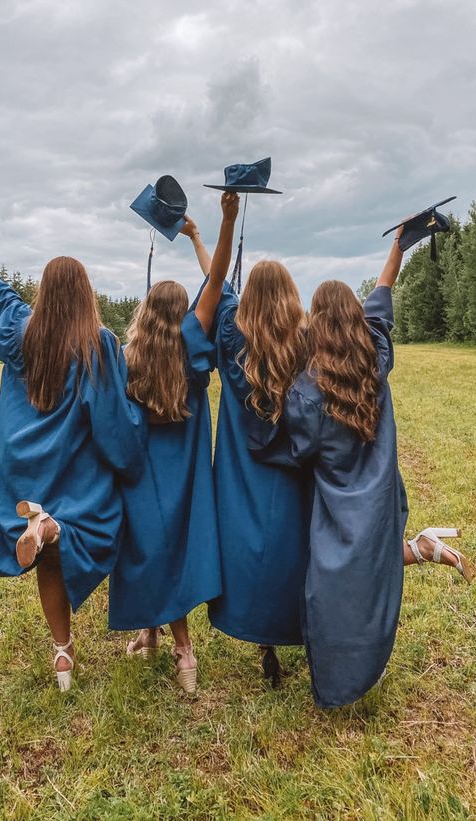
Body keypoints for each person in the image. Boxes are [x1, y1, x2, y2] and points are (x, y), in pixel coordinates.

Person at [248, 230, 473, 708]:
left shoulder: (306, 393)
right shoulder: (375, 360)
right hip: (380, 495)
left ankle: (336, 685)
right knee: (368, 573)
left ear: (316, 323)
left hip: (336, 501)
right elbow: (380, 301)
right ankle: (421, 549)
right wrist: (399, 247)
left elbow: (297, 450)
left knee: (327, 593)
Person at [0, 236, 146, 692]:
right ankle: (53, 527)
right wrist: (134, 442)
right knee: (103, 526)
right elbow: (110, 418)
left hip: (23, 466)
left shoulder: (23, 331)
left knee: (49, 560)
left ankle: (63, 653)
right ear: (86, 293)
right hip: (72, 466)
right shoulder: (99, 342)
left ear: (45, 293)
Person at [109, 193, 239, 694]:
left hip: (142, 476)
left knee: (145, 550)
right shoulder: (190, 339)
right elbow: (219, 279)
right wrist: (215, 228)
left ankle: (180, 647)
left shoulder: (128, 356)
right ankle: (161, 640)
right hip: (184, 478)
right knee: (172, 554)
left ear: (145, 312)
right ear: (182, 312)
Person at [207, 256, 312, 686]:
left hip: (244, 465)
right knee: (294, 545)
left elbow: (216, 285)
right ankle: (299, 626)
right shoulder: (305, 339)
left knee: (249, 545)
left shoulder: (234, 335)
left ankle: (263, 641)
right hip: (294, 463)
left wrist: (203, 238)